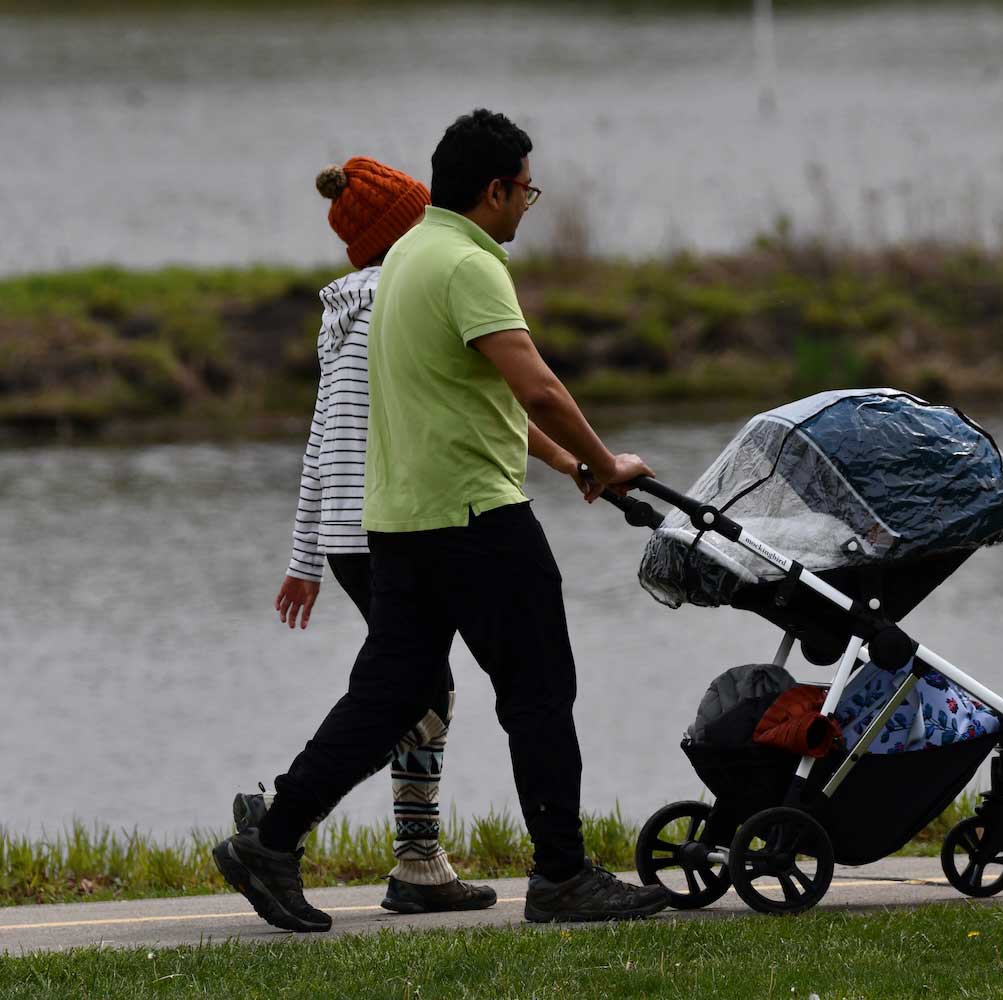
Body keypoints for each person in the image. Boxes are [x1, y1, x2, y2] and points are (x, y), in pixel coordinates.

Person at [213, 109, 670, 932]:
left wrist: (568, 467)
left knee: (390, 694)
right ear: (493, 190)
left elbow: (469, 395)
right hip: (476, 518)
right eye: (527, 187)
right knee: (538, 690)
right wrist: (605, 462)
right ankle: (564, 876)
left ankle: (272, 841)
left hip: (398, 526)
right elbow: (536, 387)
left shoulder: (405, 262)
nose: (531, 202)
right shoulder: (466, 265)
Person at [238, 156, 495, 916]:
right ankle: (284, 825)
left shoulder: (342, 311)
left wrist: (305, 558)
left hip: (354, 535)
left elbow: (321, 438)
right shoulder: (404, 298)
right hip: (396, 524)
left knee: (422, 686)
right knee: (407, 691)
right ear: (411, 226)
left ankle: (412, 862)